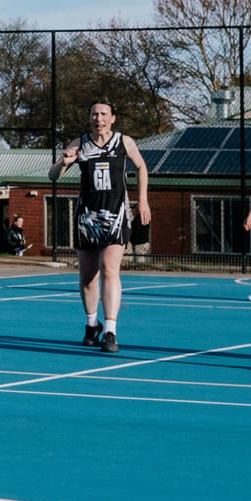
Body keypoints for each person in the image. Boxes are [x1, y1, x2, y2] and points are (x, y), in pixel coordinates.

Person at [50, 98, 150, 355]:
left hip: (116, 215)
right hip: (87, 217)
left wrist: (143, 201)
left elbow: (141, 167)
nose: (99, 119)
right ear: (89, 118)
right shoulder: (79, 143)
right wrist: (64, 162)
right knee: (87, 277)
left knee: (109, 269)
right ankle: (91, 324)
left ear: (113, 118)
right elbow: (52, 175)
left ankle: (111, 330)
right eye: (94, 114)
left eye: (104, 114)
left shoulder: (124, 142)